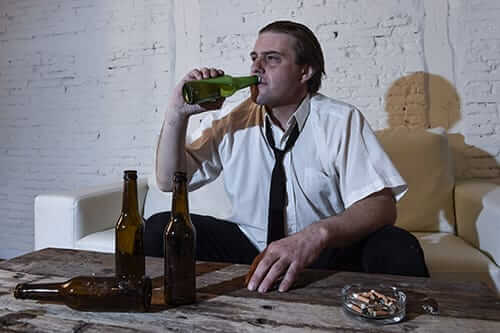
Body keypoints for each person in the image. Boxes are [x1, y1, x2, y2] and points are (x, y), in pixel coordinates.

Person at [145, 20, 429, 293]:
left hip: (317, 253)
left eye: (271, 59)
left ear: (304, 72)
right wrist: (176, 114)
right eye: (254, 57)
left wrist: (313, 236)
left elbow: (382, 207)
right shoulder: (233, 120)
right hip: (250, 248)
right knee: (161, 227)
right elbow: (170, 182)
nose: (256, 67)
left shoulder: (340, 120)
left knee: (396, 243)